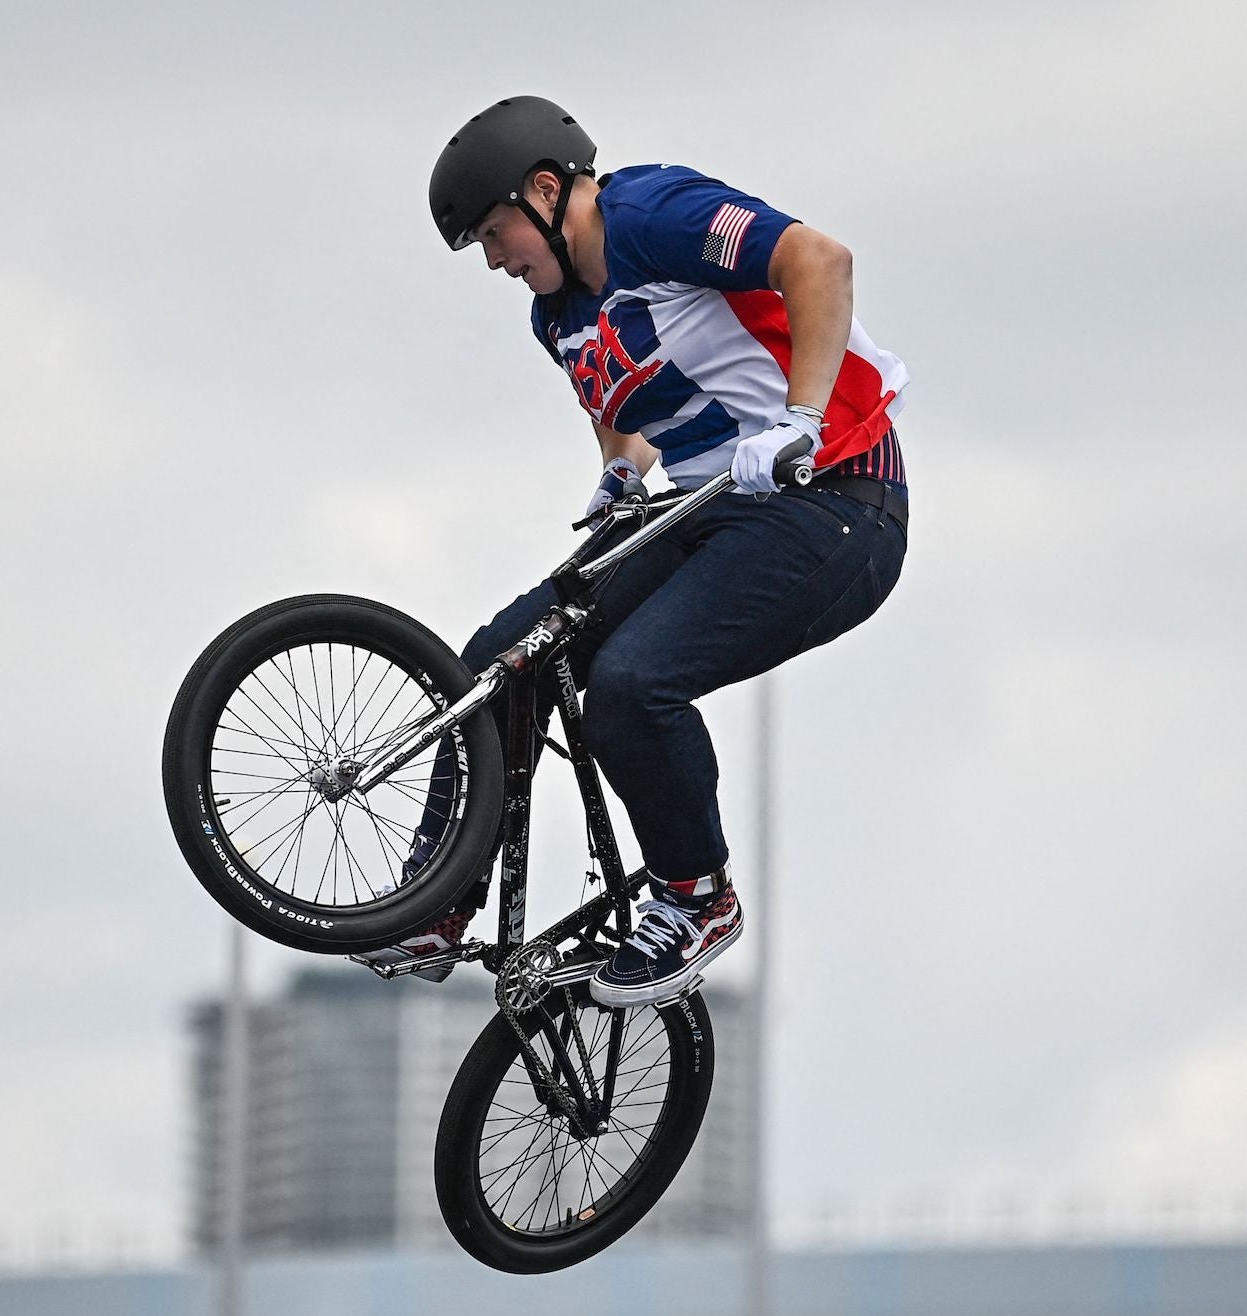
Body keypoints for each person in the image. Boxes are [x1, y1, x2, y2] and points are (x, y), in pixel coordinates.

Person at [366, 95, 911, 1007]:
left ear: (547, 192)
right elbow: (620, 398)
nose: (495, 260)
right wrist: (620, 469)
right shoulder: (553, 313)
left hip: (835, 501)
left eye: (497, 234)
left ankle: (697, 896)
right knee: (502, 658)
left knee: (629, 684)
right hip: (705, 505)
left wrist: (802, 422)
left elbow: (821, 260)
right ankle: (441, 902)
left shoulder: (654, 217)